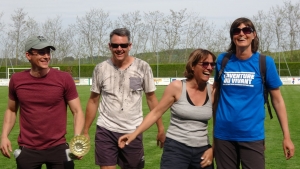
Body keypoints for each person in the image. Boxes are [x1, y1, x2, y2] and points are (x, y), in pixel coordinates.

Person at [213, 17, 295, 169]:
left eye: (246, 30)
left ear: (254, 34)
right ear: (232, 35)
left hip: (252, 135)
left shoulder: (265, 62)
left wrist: (287, 137)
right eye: (237, 31)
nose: (241, 34)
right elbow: (215, 93)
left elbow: (277, 101)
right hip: (223, 136)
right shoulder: (222, 60)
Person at [118, 48, 216, 169]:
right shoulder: (176, 87)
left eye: (212, 64)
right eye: (205, 64)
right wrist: (134, 134)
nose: (209, 67)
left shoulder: (212, 91)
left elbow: (219, 124)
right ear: (192, 66)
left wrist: (213, 149)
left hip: (203, 150)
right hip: (176, 149)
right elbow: (156, 112)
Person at [83, 28, 165, 169]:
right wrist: (85, 131)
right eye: (115, 45)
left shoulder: (143, 67)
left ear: (130, 46)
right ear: (110, 46)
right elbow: (93, 100)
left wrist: (161, 128)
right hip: (106, 129)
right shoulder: (100, 69)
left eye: (123, 45)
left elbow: (151, 99)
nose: (119, 49)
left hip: (133, 129)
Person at [0, 35, 85, 169]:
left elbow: (77, 111)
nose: (46, 56)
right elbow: (11, 110)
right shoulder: (17, 80)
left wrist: (77, 139)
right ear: (28, 55)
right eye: (41, 52)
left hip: (59, 147)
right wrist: (4, 136)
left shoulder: (64, 78)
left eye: (48, 52)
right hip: (28, 149)